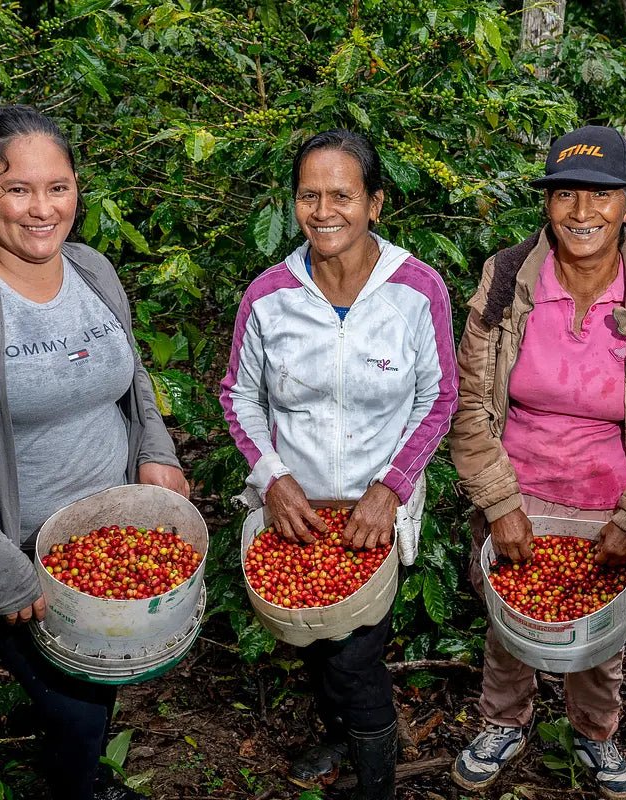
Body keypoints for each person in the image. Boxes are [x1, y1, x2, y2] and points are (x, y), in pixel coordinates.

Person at [449, 125, 626, 799]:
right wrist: (500, 505)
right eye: (565, 193)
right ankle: (502, 722)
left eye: (601, 196)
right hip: (519, 484)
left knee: (601, 634)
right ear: (547, 203)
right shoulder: (508, 277)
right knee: (511, 622)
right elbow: (469, 402)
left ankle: (595, 734)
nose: (581, 211)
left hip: (612, 496)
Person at [220, 129, 458, 799]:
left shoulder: (417, 289)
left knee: (356, 653)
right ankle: (336, 735)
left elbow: (439, 397)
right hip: (294, 512)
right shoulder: (269, 295)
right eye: (309, 195)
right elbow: (237, 394)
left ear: (375, 203)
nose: (324, 211)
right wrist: (272, 476)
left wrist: (391, 487)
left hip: (373, 513)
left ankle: (375, 778)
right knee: (311, 641)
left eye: (343, 195)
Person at [0, 105, 190, 800]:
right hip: (19, 550)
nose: (42, 209)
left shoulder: (93, 270)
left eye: (58, 188)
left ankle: (86, 776)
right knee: (73, 706)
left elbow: (133, 377)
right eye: (18, 189)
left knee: (101, 684)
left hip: (114, 542)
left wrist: (156, 446)